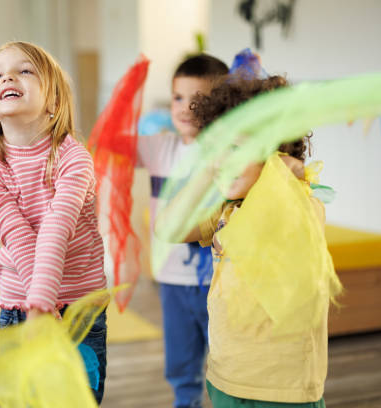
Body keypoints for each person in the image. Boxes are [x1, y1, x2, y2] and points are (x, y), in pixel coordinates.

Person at [158, 75, 332, 407]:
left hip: (282, 390)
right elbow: (169, 228)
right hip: (226, 378)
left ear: (276, 153)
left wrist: (283, 166)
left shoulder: (299, 204)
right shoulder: (227, 209)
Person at [0, 41, 108, 404]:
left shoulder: (72, 157)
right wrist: (38, 309)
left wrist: (44, 306)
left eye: (25, 70)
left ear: (54, 103)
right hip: (21, 310)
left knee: (78, 397)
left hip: (79, 310)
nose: (8, 77)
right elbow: (18, 237)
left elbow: (55, 230)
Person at [136, 54, 228, 408]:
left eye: (198, 98)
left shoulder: (226, 153)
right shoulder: (160, 148)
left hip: (219, 279)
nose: (185, 107)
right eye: (177, 97)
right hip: (172, 279)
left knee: (225, 357)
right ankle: (185, 401)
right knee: (181, 359)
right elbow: (112, 149)